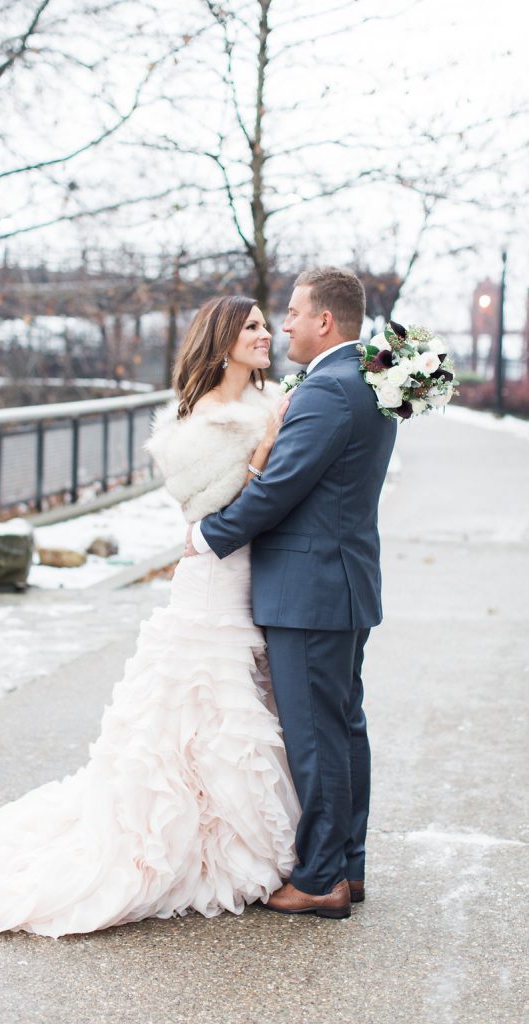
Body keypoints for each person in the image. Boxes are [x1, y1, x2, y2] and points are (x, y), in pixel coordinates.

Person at [0, 295, 303, 940]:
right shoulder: (195, 424)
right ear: (220, 340)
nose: (263, 334)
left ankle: (238, 835)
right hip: (213, 584)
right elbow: (215, 512)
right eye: (249, 327)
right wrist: (265, 450)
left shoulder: (269, 400)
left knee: (244, 711)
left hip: (258, 578)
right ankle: (194, 846)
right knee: (202, 716)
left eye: (262, 325)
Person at [185, 267, 397, 918]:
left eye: (294, 314)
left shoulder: (327, 391)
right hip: (343, 580)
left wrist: (206, 537)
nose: (284, 326)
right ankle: (348, 867)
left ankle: (319, 878)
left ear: (324, 322)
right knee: (342, 727)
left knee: (315, 736)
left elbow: (278, 491)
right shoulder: (370, 380)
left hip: (309, 589)